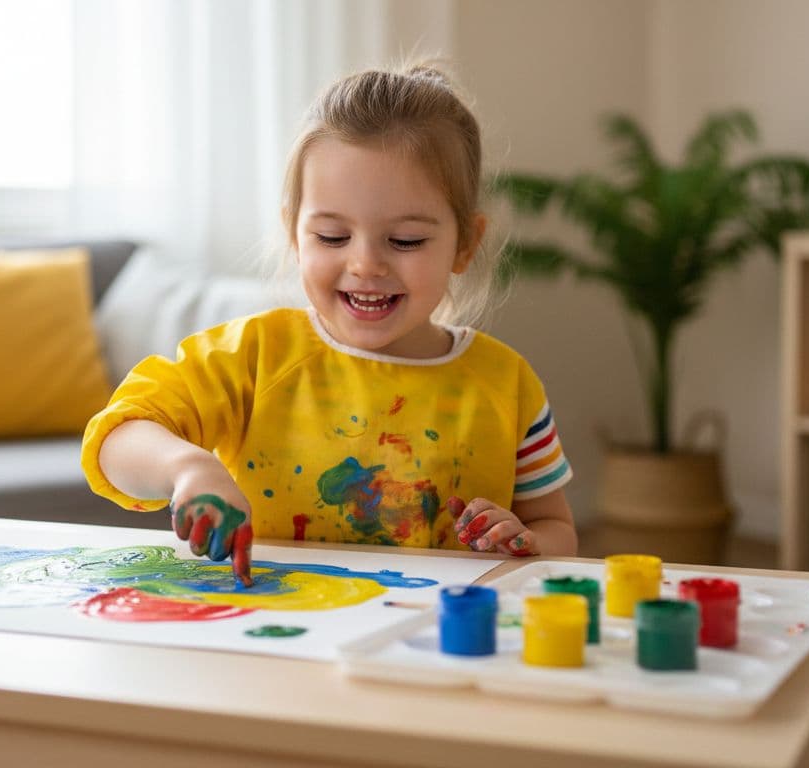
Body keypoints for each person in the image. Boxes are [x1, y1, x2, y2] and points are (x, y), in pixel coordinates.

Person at [80, 62, 576, 587]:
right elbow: (117, 437)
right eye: (333, 238)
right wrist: (186, 468)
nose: (365, 264)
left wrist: (528, 541)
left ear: (465, 244)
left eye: (405, 240)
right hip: (274, 628)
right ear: (295, 234)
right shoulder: (253, 356)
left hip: (434, 644)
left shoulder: (506, 382)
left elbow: (556, 526)